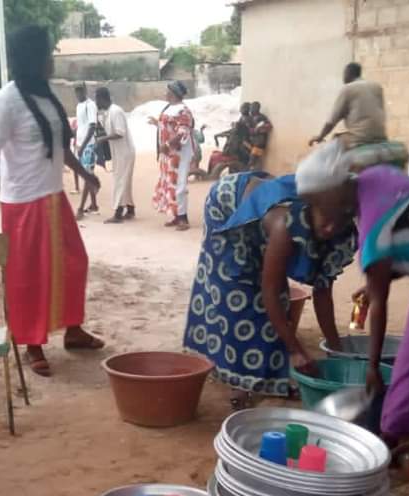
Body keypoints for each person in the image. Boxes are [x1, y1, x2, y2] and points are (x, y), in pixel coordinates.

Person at [298, 139, 409, 441]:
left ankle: (393, 434)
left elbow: (380, 304)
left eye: (317, 201)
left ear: (334, 189)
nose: (317, 210)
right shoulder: (375, 177)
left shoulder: (372, 231)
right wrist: (376, 283)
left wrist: (372, 367)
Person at [0, 25, 105, 378]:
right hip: (23, 204)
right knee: (28, 276)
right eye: (47, 53)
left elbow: (60, 147)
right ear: (32, 59)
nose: (52, 59)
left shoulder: (47, 95)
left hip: (52, 198)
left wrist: (86, 174)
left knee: (74, 261)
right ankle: (32, 343)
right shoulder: (6, 100)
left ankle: (73, 329)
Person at [183, 166, 355, 409]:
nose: (330, 229)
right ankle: (240, 382)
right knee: (239, 292)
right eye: (326, 220)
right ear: (313, 207)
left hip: (264, 206)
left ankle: (272, 379)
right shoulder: (284, 224)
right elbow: (270, 292)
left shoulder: (339, 227)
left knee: (278, 300)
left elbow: (322, 288)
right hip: (229, 205)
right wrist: (295, 350)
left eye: (337, 224)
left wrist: (336, 349)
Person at [151, 81, 196, 230]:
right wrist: (156, 123)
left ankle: (183, 218)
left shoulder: (184, 111)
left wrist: (168, 144)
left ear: (173, 93)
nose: (165, 93)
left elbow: (183, 131)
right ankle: (175, 215)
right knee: (169, 183)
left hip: (180, 153)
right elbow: (168, 125)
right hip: (168, 153)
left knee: (180, 184)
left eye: (167, 91)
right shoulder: (169, 108)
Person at [309, 62, 387, 149]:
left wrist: (320, 137)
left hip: (359, 138)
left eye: (344, 74)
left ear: (349, 73)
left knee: (335, 143)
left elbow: (332, 120)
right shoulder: (377, 87)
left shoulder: (348, 89)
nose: (343, 77)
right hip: (381, 136)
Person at [95, 86, 136, 224]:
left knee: (120, 181)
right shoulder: (108, 112)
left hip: (124, 152)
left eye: (96, 99)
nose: (96, 102)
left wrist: (103, 139)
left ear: (102, 98)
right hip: (120, 152)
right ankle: (130, 209)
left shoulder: (116, 111)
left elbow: (120, 132)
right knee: (125, 181)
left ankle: (118, 213)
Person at [73, 83, 97, 192]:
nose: (78, 93)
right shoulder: (78, 106)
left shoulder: (90, 105)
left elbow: (92, 127)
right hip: (79, 144)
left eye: (80, 91)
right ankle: (91, 201)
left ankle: (91, 201)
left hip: (88, 145)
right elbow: (81, 125)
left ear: (85, 91)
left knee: (88, 173)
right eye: (76, 91)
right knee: (80, 170)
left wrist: (83, 146)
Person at [245, 102, 272, 169]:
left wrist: (257, 130)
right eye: (250, 108)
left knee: (252, 161)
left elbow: (268, 126)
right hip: (251, 142)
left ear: (257, 108)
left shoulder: (261, 117)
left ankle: (251, 172)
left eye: (252, 108)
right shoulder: (251, 117)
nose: (250, 110)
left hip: (259, 143)